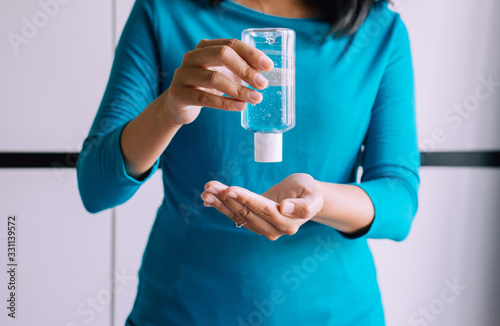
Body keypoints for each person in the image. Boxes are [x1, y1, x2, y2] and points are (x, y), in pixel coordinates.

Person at [76, 0, 420, 324]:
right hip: (183, 311)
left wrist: (320, 200)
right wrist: (169, 110)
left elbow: (399, 201)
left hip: (335, 313)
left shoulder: (378, 29)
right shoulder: (164, 11)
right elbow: (96, 187)